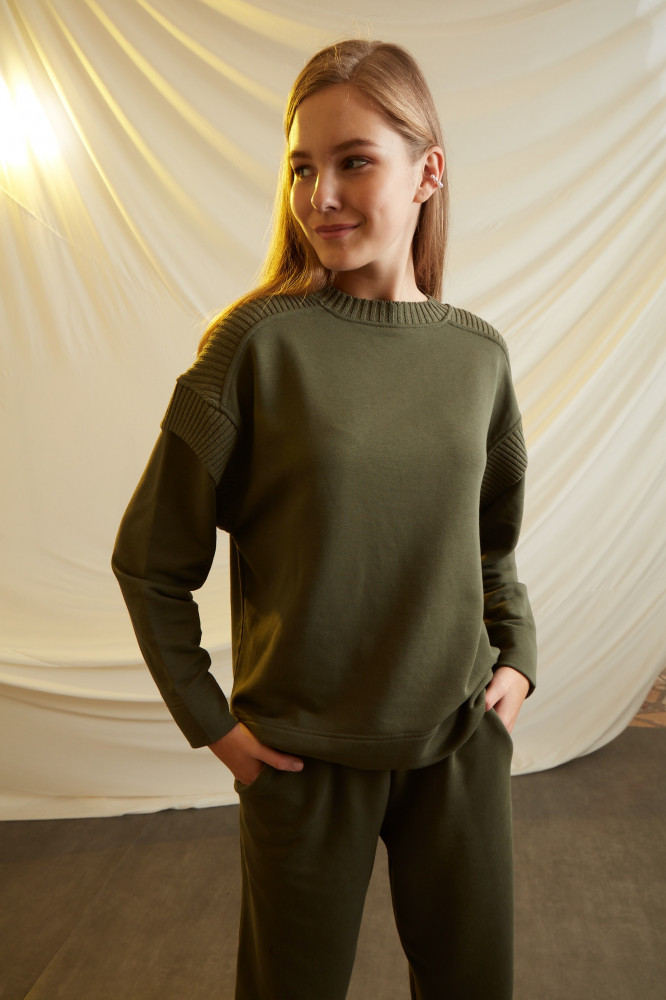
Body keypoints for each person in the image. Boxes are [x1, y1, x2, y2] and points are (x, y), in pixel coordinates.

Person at [112, 38, 537, 1000]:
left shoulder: (479, 358)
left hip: (458, 745)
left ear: (428, 172)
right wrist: (214, 726)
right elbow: (149, 562)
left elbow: (490, 548)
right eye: (303, 167)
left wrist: (517, 659)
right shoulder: (253, 348)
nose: (321, 195)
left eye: (354, 162)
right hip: (301, 763)